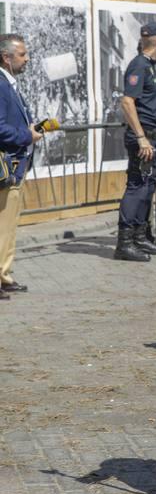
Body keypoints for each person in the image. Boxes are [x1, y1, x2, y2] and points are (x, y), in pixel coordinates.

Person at [114, 22, 156, 262]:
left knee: (147, 187)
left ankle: (139, 237)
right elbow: (127, 102)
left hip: (153, 138)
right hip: (144, 138)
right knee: (137, 188)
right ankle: (124, 242)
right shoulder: (139, 65)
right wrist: (141, 137)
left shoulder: (148, 66)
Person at [0, 34, 43, 298]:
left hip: (17, 164)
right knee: (3, 225)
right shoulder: (1, 85)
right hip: (7, 164)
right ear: (7, 57)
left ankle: (4, 274)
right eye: (22, 54)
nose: (26, 59)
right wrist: (27, 136)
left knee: (10, 225)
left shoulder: (9, 83)